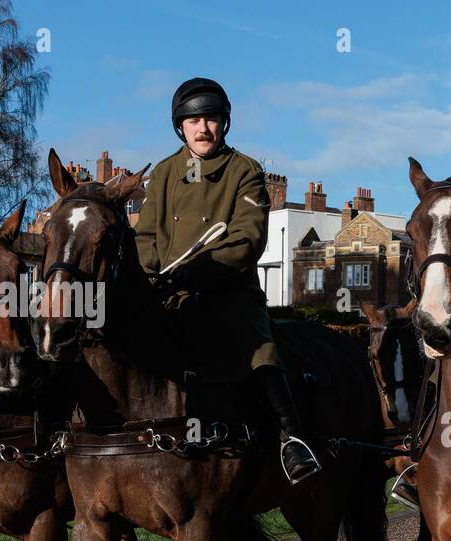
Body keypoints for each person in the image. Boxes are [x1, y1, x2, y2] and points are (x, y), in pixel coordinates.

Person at [135, 77, 319, 484]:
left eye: (212, 119)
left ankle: (293, 439)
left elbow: (248, 237)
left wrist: (196, 269)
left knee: (255, 345)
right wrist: (151, 272)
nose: (203, 128)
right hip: (169, 294)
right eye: (194, 120)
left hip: (228, 290)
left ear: (224, 123)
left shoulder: (245, 171)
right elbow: (145, 237)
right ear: (179, 126)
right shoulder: (163, 174)